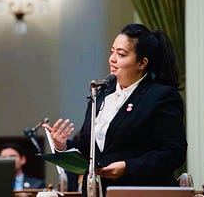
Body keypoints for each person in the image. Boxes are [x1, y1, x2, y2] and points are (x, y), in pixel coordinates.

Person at [43, 23, 187, 196]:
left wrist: (128, 167)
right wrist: (63, 144)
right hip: (96, 191)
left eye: (121, 54)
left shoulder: (161, 96)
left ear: (142, 63)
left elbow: (173, 153)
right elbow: (91, 150)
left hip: (138, 191)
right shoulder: (101, 93)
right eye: (112, 51)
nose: (112, 58)